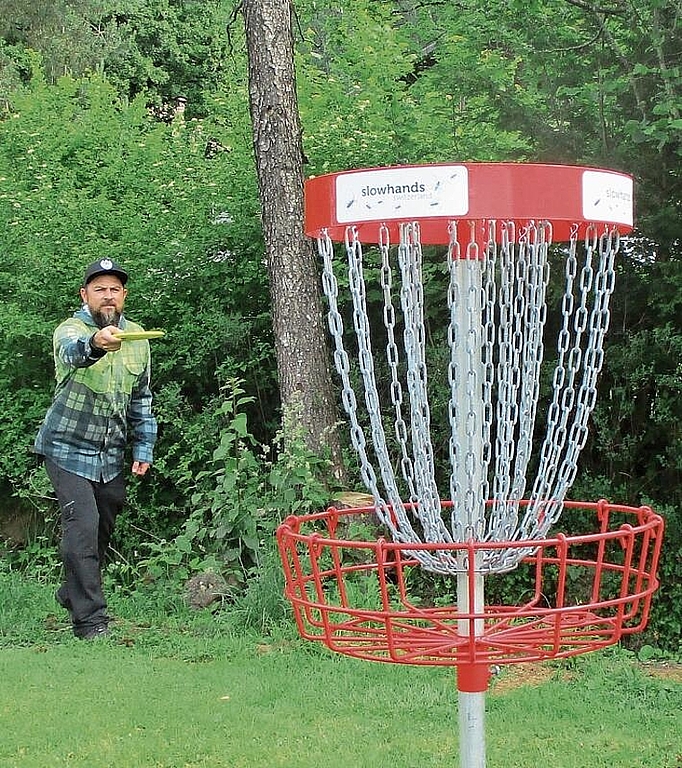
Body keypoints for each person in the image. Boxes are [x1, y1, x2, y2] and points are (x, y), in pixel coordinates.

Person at [34, 259, 157, 640]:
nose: (108, 295)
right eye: (99, 288)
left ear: (123, 296)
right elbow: (74, 352)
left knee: (101, 529)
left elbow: (142, 398)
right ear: (85, 295)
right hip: (66, 448)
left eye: (114, 289)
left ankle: (73, 591)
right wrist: (96, 343)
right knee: (82, 526)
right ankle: (91, 622)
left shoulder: (137, 338)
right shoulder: (70, 330)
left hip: (110, 455)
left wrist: (144, 446)